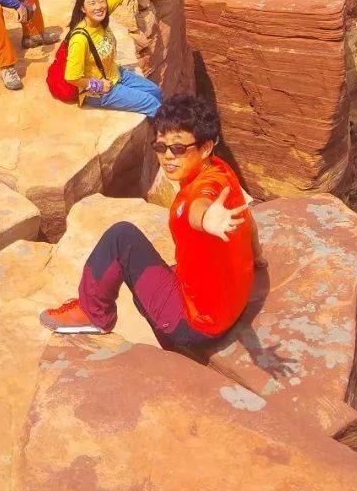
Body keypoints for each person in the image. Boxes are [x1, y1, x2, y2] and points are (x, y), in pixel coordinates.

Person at [40, 94, 265, 352]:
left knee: (121, 238)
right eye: (161, 147)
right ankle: (173, 342)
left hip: (198, 323)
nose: (168, 157)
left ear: (206, 147)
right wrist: (257, 258)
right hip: (228, 306)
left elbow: (199, 207)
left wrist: (207, 218)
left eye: (179, 148)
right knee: (144, 280)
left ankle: (93, 314)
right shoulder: (221, 170)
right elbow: (249, 222)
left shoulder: (203, 191)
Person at [63, 0, 162, 116]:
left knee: (155, 91)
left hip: (115, 73)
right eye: (92, 4)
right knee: (153, 104)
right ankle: (163, 136)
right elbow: (71, 76)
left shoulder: (102, 14)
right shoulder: (80, 38)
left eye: (101, 1)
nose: (99, 7)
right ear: (83, 9)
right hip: (98, 92)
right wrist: (98, 85)